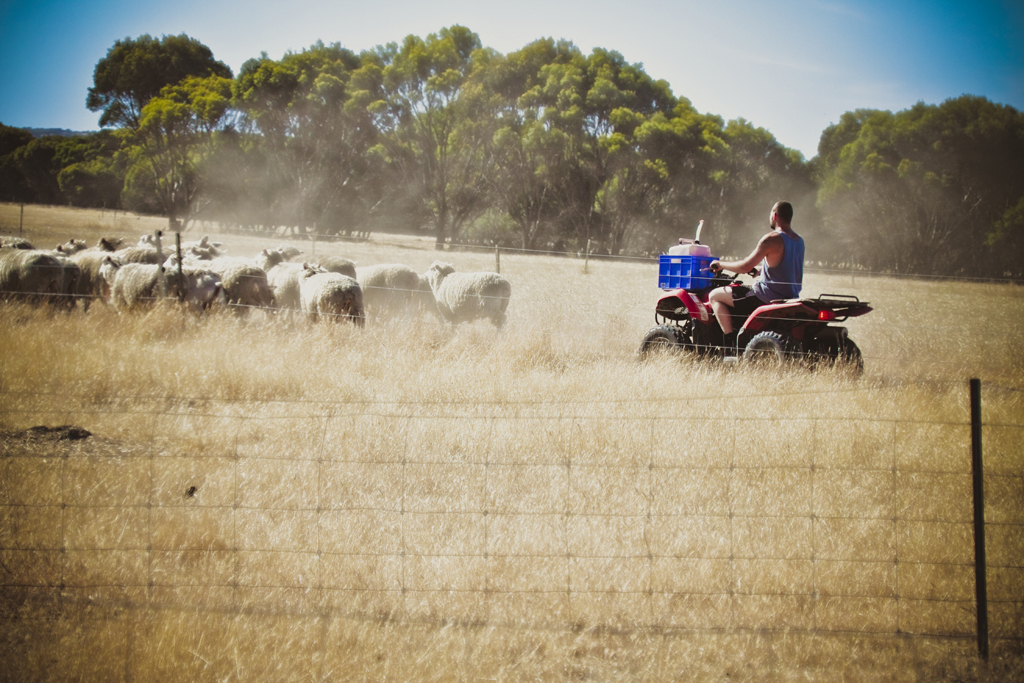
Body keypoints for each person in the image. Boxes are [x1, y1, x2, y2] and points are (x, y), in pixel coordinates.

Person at [707, 201, 804, 346]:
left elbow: (745, 266)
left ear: (774, 215)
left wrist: (721, 265)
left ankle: (730, 341)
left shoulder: (771, 239)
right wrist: (759, 271)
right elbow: (783, 267)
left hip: (764, 297)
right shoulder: (799, 241)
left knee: (714, 296)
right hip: (790, 296)